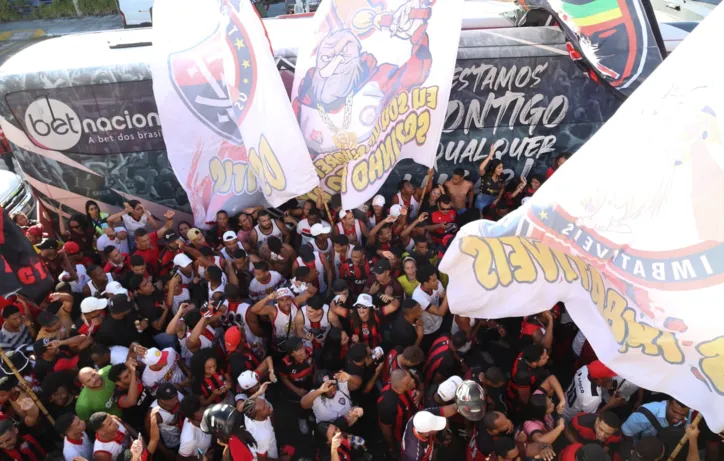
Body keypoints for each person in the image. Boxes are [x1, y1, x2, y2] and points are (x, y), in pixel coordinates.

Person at [378, 369, 419, 451]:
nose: (413, 380)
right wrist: (393, 447)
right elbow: (386, 429)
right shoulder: (388, 404)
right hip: (401, 435)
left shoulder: (399, 387)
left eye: (410, 377)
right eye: (409, 382)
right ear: (401, 387)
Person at [621, 397, 691, 439]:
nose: (678, 418)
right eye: (674, 411)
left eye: (682, 415)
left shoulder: (688, 416)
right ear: (668, 403)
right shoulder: (645, 414)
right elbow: (627, 433)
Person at [178, 394, 212, 460]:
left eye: (205, 415)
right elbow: (180, 459)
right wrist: (202, 458)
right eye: (200, 420)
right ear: (189, 420)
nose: (205, 421)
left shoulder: (205, 413)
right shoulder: (189, 441)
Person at [476, 146, 505, 215]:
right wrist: (490, 156)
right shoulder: (486, 175)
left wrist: (498, 199)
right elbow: (480, 168)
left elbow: (502, 188)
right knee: (480, 216)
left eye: (502, 167)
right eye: (499, 168)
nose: (502, 169)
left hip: (494, 199)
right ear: (493, 168)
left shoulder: (502, 176)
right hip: (483, 199)